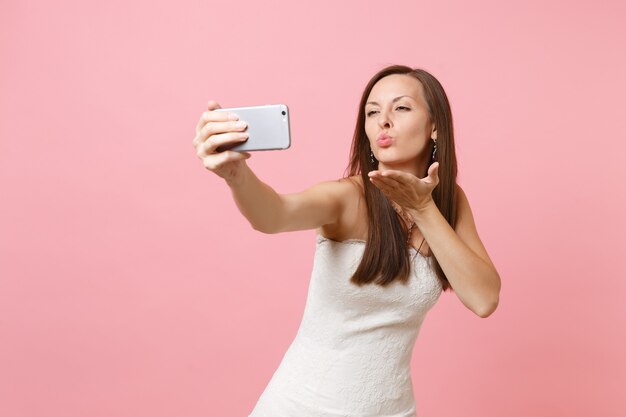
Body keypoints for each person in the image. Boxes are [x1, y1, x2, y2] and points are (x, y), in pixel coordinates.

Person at [192, 64, 501, 416]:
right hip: (304, 407)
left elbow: (484, 299)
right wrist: (237, 175)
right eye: (372, 112)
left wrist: (424, 209)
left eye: (400, 108)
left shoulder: (449, 202)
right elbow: (274, 214)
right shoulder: (347, 197)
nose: (383, 121)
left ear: (434, 127)